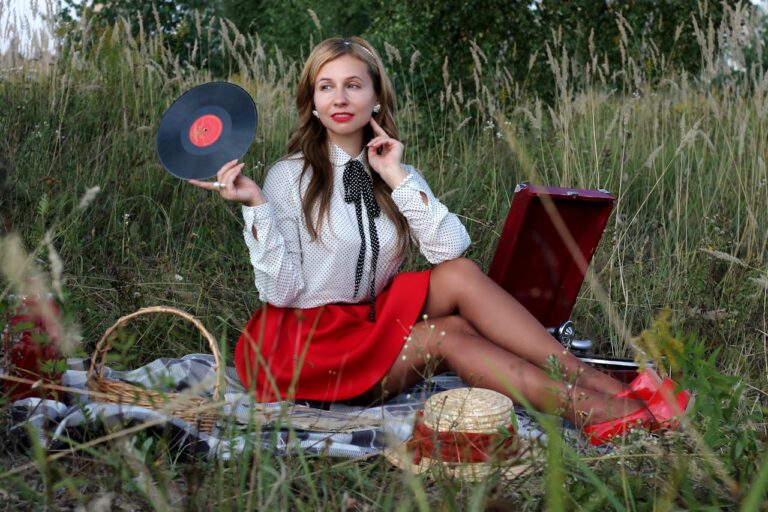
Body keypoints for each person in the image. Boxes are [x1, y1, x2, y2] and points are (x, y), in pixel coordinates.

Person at [189, 36, 690, 445]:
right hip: (306, 345)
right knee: (447, 335)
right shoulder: (287, 177)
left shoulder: (392, 170)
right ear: (313, 104)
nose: (340, 98)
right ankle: (606, 410)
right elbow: (281, 292)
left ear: (376, 97)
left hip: (366, 319)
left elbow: (451, 251)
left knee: (457, 277)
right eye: (326, 87)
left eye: (353, 85)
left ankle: (604, 386)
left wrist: (397, 176)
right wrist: (256, 208)